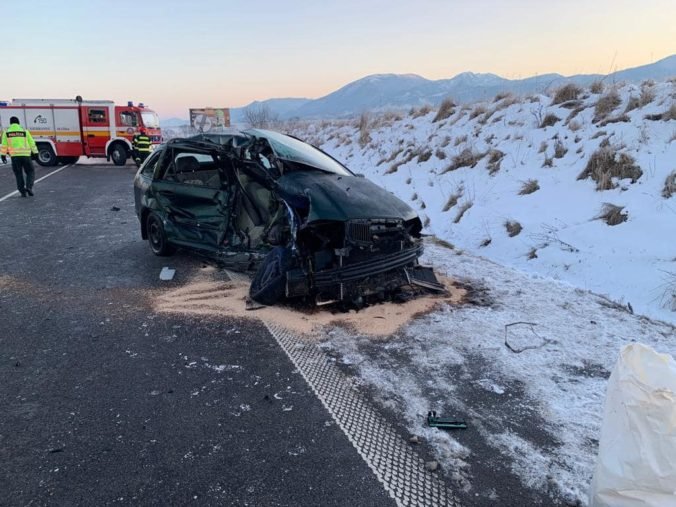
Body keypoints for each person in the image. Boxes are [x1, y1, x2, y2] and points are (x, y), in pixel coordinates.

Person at [1, 116, 38, 197]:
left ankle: (22, 192)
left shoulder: (6, 132)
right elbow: (32, 143)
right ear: (18, 123)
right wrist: (35, 152)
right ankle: (29, 187)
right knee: (30, 171)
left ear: (10, 123)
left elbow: (4, 145)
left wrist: (3, 155)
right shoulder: (25, 131)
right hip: (26, 156)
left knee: (18, 174)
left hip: (15, 157)